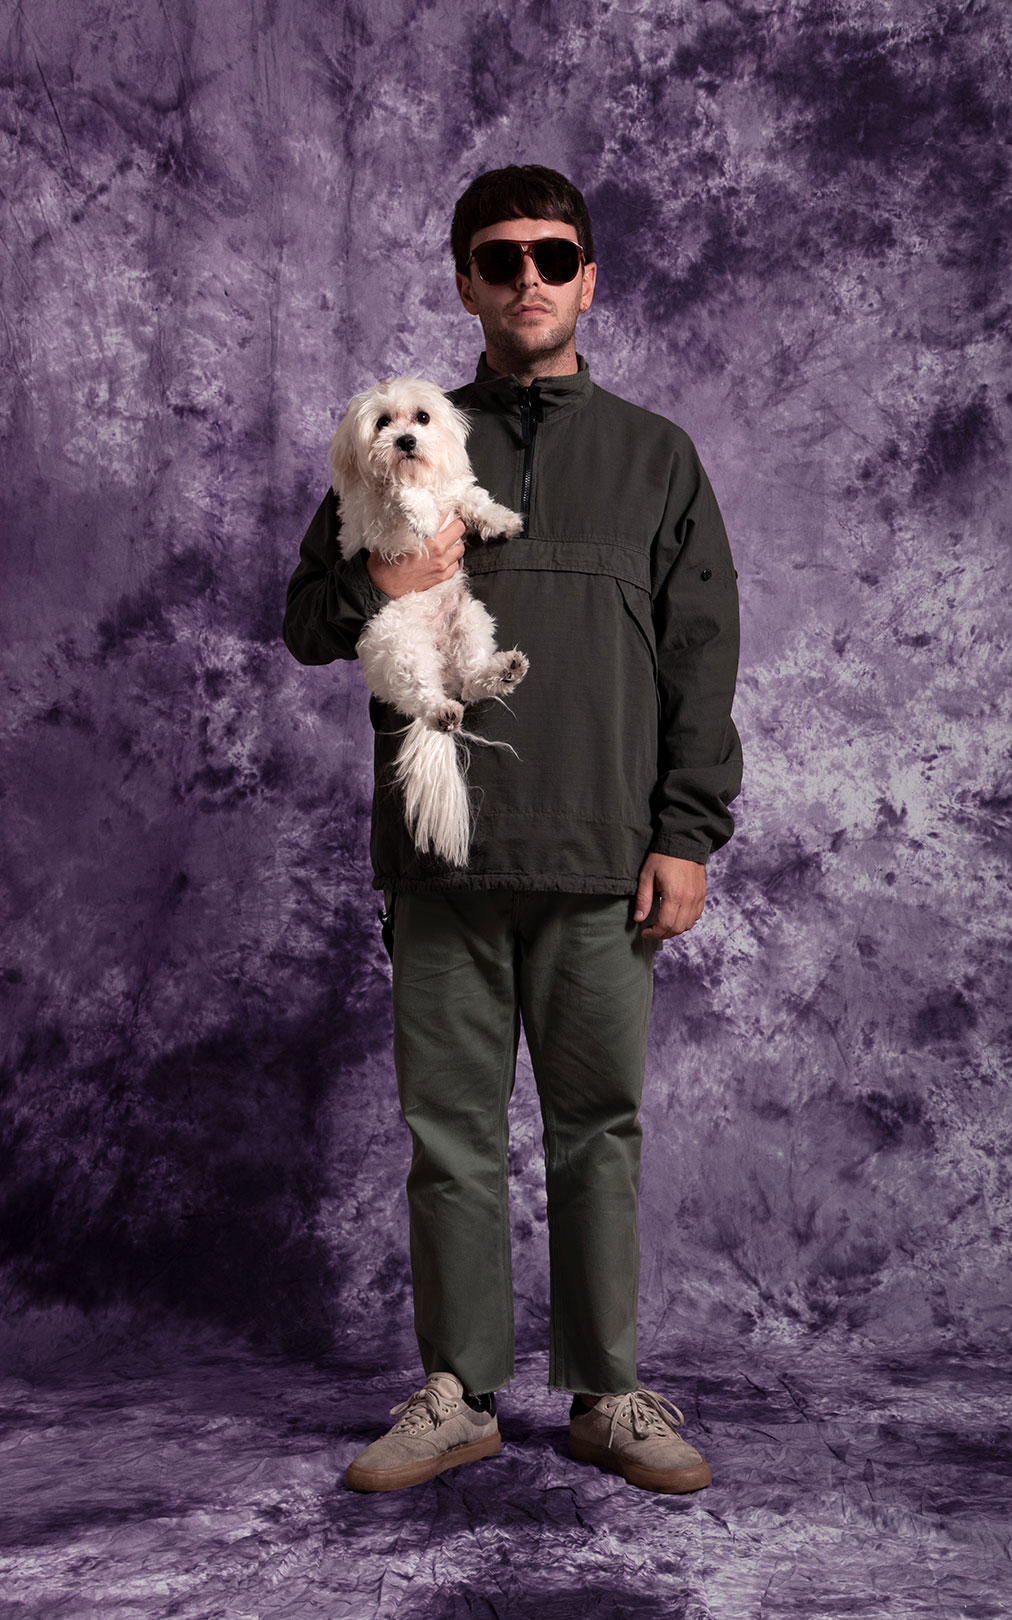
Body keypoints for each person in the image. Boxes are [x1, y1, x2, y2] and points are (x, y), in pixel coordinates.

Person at [282, 165, 741, 1495]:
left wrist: (687, 832)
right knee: (450, 1135)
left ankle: (608, 1394)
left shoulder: (656, 456)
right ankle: (457, 1393)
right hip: (443, 855)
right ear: (465, 283)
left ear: (588, 278)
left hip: (604, 854)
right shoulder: (406, 436)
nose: (526, 278)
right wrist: (383, 573)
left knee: (599, 1126)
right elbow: (306, 622)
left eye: (551, 256)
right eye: (499, 259)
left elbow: (701, 657)